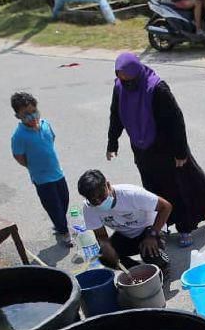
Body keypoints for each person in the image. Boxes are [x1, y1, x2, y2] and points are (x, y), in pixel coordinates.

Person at [107, 53, 205, 249]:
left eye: (130, 80)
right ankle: (163, 225)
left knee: (179, 188)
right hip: (142, 149)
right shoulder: (119, 88)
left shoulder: (157, 88)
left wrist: (180, 152)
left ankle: (185, 227)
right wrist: (112, 142)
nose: (127, 84)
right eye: (123, 80)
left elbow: (176, 121)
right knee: (153, 190)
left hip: (167, 149)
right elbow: (115, 115)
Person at [76, 169, 173, 269]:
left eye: (101, 196)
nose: (99, 202)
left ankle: (163, 265)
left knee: (150, 252)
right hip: (126, 235)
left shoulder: (131, 194)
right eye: (93, 200)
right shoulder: (89, 208)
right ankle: (137, 271)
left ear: (108, 185)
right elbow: (101, 235)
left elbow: (166, 207)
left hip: (150, 228)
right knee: (104, 257)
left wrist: (152, 235)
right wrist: (106, 246)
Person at [10, 92, 72, 247]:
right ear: (18, 116)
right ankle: (64, 231)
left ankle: (59, 223)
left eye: (33, 111)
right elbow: (19, 156)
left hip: (57, 173)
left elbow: (52, 140)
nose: (32, 116)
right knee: (53, 205)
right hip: (42, 179)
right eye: (26, 114)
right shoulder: (19, 136)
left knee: (64, 200)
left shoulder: (45, 125)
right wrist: (33, 166)